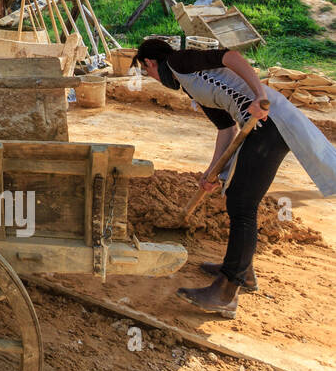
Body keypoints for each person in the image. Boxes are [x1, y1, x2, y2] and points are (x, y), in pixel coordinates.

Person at [133, 37, 336, 316]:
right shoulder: (192, 85)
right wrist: (213, 171)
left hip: (270, 122)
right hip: (257, 128)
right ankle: (244, 271)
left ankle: (227, 291)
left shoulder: (179, 61)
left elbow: (231, 57)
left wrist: (259, 97)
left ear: (150, 62)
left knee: (242, 204)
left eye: (147, 72)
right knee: (233, 194)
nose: (152, 77)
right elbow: (226, 130)